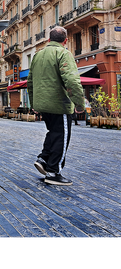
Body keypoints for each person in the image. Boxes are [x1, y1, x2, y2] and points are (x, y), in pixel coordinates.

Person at [28, 26, 87, 186]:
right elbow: (72, 81)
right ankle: (53, 172)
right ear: (65, 40)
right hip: (59, 104)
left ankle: (43, 159)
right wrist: (80, 105)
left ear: (49, 39)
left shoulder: (38, 55)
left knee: (53, 132)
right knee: (62, 136)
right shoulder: (63, 53)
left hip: (42, 104)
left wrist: (34, 103)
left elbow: (30, 82)